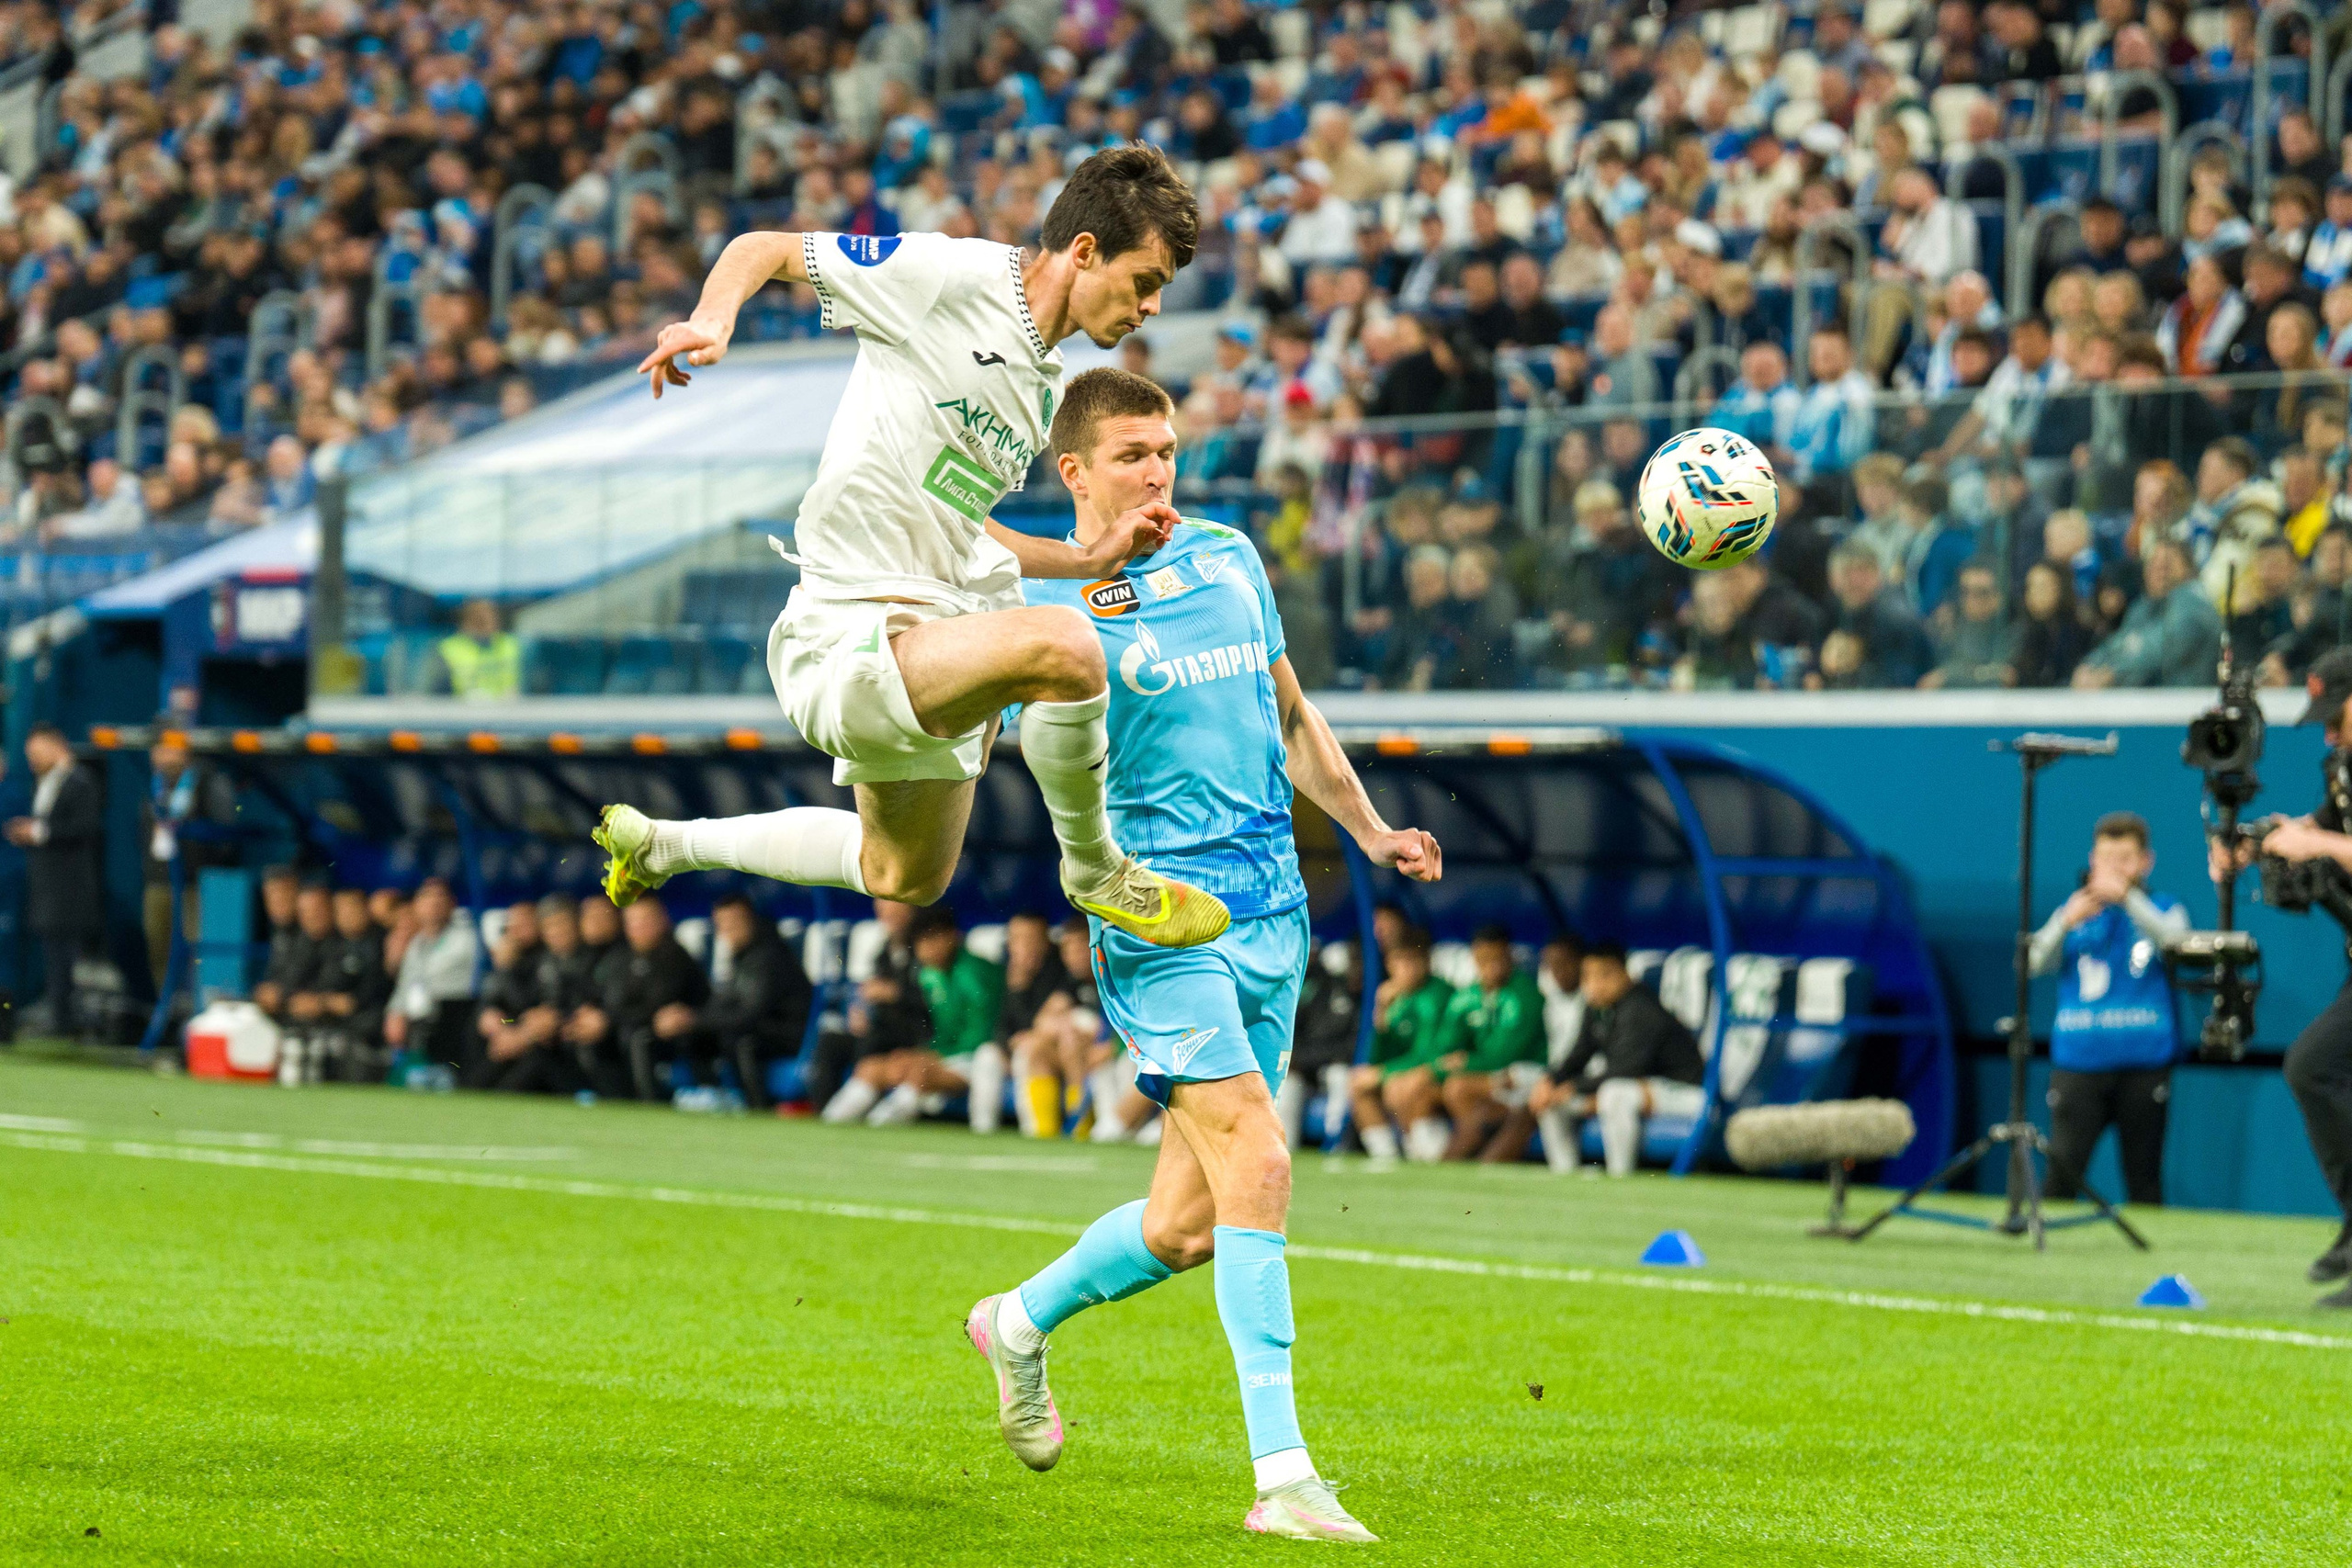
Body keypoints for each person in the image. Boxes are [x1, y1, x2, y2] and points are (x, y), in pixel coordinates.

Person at [965, 366, 1442, 1541]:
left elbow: (1287, 715)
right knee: (1263, 1163)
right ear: (1072, 471)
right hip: (1158, 922)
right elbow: (942, 540)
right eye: (1132, 454)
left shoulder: (1229, 554)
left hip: (1274, 913)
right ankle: (1283, 1478)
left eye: (1167, 450)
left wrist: (1371, 830)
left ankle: (1017, 1321)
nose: (1158, 473)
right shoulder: (1051, 617)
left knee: (1187, 1224)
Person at [596, 147, 1230, 952]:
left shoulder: (1043, 382)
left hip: (932, 634)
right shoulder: (952, 276)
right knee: (1068, 645)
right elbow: (763, 247)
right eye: (1146, 282)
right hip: (849, 632)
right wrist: (713, 319)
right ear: (1083, 252)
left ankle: (661, 844)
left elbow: (962, 520)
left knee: (906, 874)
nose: (1151, 308)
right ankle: (1096, 869)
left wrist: (1083, 559)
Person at [2211, 649, 2352, 1304]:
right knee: (2311, 1066)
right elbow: (2320, 825)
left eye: (2336, 714)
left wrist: (2319, 846)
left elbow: (2326, 840)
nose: (2328, 731)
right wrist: (2254, 841)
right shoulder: (2343, 765)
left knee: (2313, 1064)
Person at [2029, 812, 2188, 1206]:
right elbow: (2033, 963)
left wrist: (2129, 900)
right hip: (2078, 1064)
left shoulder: (2163, 906)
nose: (2114, 868)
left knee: (2144, 1179)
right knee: (2061, 1174)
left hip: (2144, 1065)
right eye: (2106, 858)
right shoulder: (2074, 910)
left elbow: (2178, 943)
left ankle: (2149, 1264)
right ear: (2091, 859)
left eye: (2125, 858)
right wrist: (2065, 922)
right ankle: (2049, 1256)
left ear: (2145, 862)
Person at [1532, 942, 1706, 1177]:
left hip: (1689, 1095)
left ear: (1624, 974)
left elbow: (1626, 1070)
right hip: (1644, 1090)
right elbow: (1578, 1056)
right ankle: (1565, 1175)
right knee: (1551, 1101)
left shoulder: (1642, 1008)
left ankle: (1620, 1176)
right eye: (1588, 976)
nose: (1593, 984)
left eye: (1603, 975)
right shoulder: (1597, 1008)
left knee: (1615, 1093)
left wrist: (1573, 1087)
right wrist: (1550, 1081)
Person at [827, 904, 1004, 1127]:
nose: (924, 949)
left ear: (951, 936)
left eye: (931, 940)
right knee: (871, 1068)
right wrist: (916, 1053)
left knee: (918, 1074)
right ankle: (829, 1127)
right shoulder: (929, 975)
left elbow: (980, 1036)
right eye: (919, 942)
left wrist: (931, 1056)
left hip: (976, 1060)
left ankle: (878, 1133)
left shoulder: (975, 974)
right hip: (939, 1055)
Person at [6, 724, 103, 1037]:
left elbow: (85, 827)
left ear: (55, 746)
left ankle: (68, 1025)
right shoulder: (44, 782)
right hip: (47, 887)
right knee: (53, 956)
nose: (32, 761)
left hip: (70, 889)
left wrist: (38, 832)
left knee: (66, 959)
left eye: (36, 753)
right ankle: (60, 1020)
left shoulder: (81, 781)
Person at [694, 893, 812, 1111]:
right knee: (700, 1035)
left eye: (734, 922)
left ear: (750, 920)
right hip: (764, 1029)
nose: (728, 930)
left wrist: (696, 1020)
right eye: (722, 924)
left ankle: (756, 1108)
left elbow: (750, 1013)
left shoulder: (769, 957)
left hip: (789, 1034)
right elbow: (729, 1000)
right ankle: (710, 1096)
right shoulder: (743, 956)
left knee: (742, 1042)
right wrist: (696, 1019)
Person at [1347, 926, 1453, 1159]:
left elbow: (1428, 1054)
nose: (1407, 969)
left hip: (1442, 1072)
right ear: (1389, 964)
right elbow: (1375, 1057)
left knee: (1400, 1086)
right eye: (1399, 961)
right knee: (1357, 1082)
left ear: (1426, 961)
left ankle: (1423, 1153)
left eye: (1413, 960)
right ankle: (1385, 1155)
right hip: (1404, 1072)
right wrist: (1381, 1015)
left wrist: (1383, 1073)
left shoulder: (1436, 995)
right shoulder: (1391, 997)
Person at [2073, 539, 2222, 688]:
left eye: (2167, 565)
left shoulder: (2193, 601)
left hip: (2188, 705)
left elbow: (2158, 650)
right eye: (2153, 564)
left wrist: (2112, 673)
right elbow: (2118, 643)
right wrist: (2089, 666)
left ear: (2189, 569)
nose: (2159, 571)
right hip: (2153, 705)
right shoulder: (2143, 606)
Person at [382, 878, 479, 1077]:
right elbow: (407, 984)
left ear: (452, 904)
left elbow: (438, 982)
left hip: (455, 1017)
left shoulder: (467, 939)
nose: (434, 903)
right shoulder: (416, 943)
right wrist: (395, 1011)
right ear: (416, 905)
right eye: (427, 896)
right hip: (422, 1022)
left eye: (440, 897)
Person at [428, 597, 521, 700]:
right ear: (465, 621)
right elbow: (434, 693)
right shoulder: (449, 648)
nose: (485, 621)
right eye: (478, 618)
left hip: (509, 710)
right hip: (461, 711)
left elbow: (526, 682)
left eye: (490, 616)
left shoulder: (510, 644)